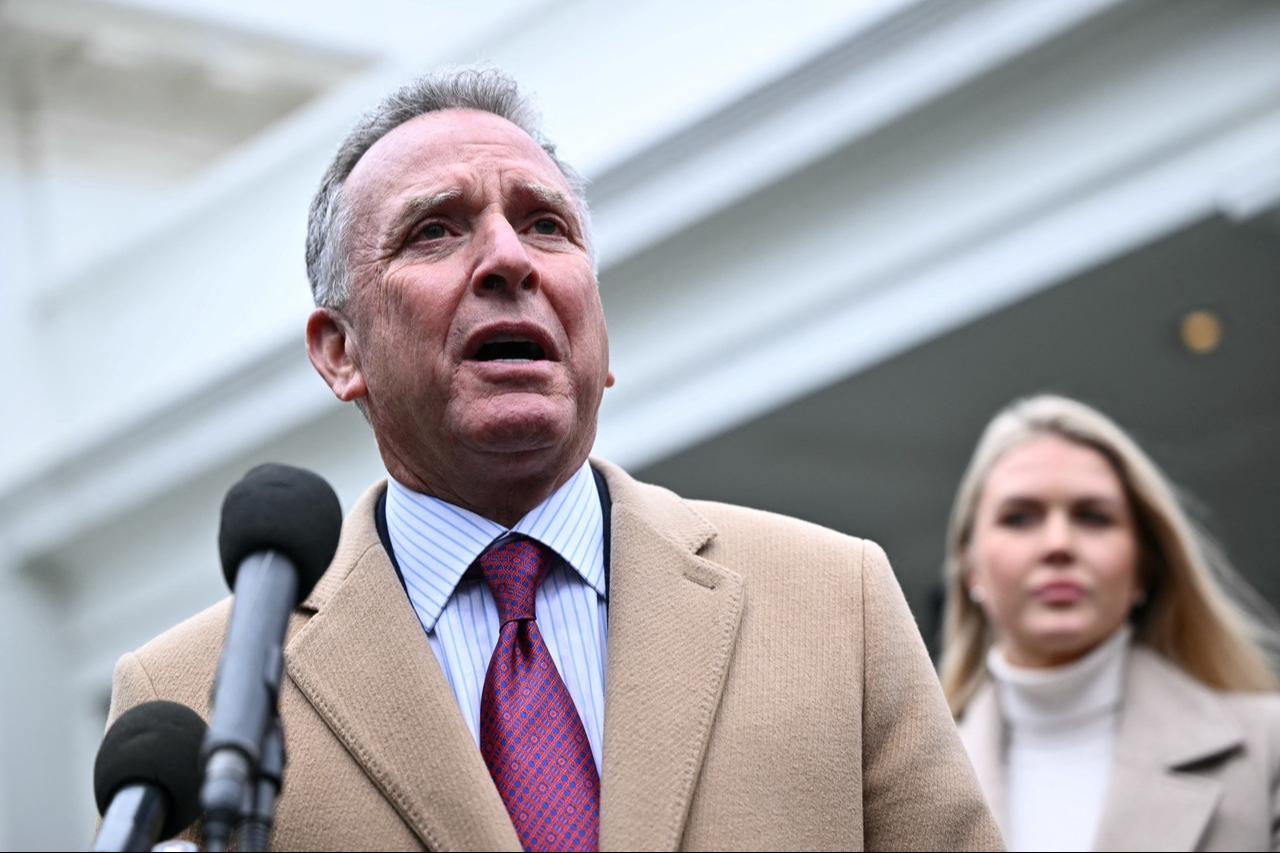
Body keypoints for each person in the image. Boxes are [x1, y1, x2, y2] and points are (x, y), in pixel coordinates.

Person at [106, 67, 1002, 852]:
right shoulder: (188, 701)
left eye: (545, 226)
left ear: (600, 340)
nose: (507, 259)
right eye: (434, 231)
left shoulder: (833, 601)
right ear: (339, 352)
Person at [939, 393, 1280, 852]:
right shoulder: (903, 788)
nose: (1058, 544)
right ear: (970, 568)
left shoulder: (1267, 751)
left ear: (1143, 567)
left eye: (1093, 517)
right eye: (1019, 518)